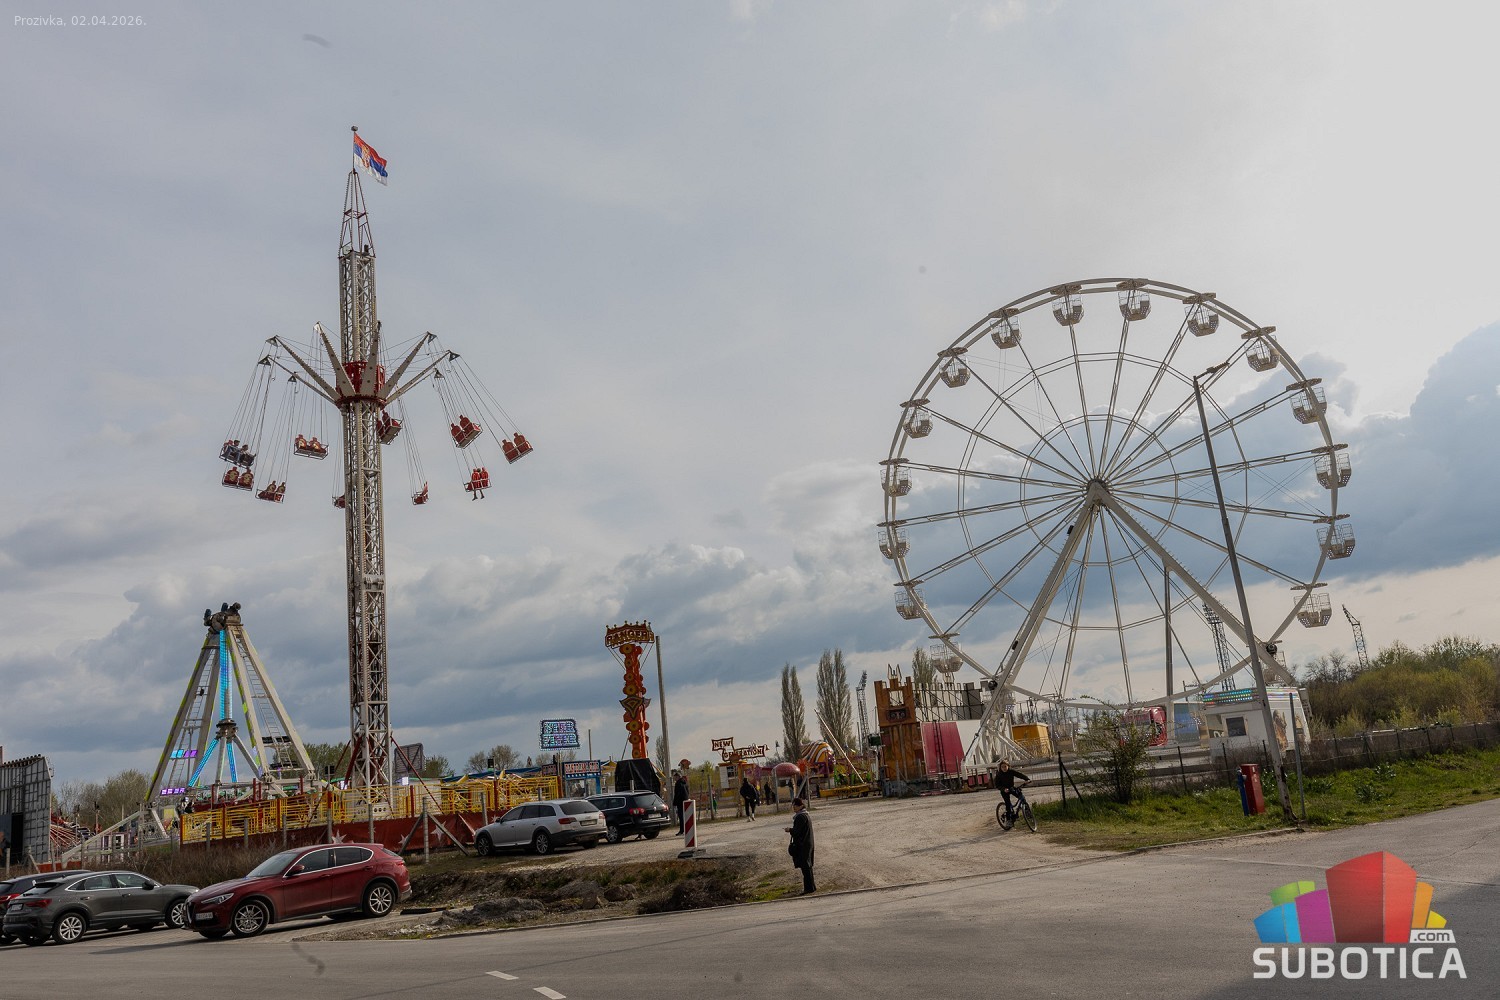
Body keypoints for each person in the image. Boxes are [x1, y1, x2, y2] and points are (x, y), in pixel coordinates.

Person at [785, 796, 816, 894]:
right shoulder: (805, 815)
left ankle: (808, 888)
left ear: (801, 806)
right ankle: (811, 887)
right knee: (807, 867)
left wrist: (790, 830)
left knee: (805, 868)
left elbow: (797, 832)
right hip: (807, 843)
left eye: (795, 805)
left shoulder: (800, 817)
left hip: (803, 845)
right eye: (793, 805)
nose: (794, 807)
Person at [993, 759, 1030, 823]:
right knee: (1008, 805)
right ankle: (1008, 820)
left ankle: (1027, 812)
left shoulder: (1011, 771)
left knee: (1022, 797)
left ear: (1008, 766)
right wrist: (1004, 789)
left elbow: (1019, 775)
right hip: (1004, 791)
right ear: (1000, 768)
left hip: (1011, 788)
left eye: (1005, 766)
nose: (1004, 768)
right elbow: (997, 785)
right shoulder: (999, 775)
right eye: (1002, 767)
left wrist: (1027, 779)